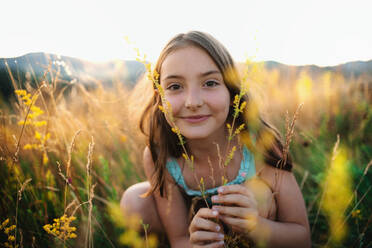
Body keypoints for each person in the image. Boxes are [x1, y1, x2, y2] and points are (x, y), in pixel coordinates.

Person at [121, 31, 311, 247]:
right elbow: (180, 239)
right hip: (197, 229)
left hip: (258, 229)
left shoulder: (258, 144)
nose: (193, 102)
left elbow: (302, 237)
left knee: (257, 196)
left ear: (232, 93)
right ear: (160, 99)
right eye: (175, 86)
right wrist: (195, 244)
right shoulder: (160, 154)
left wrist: (256, 227)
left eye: (210, 83)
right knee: (134, 201)